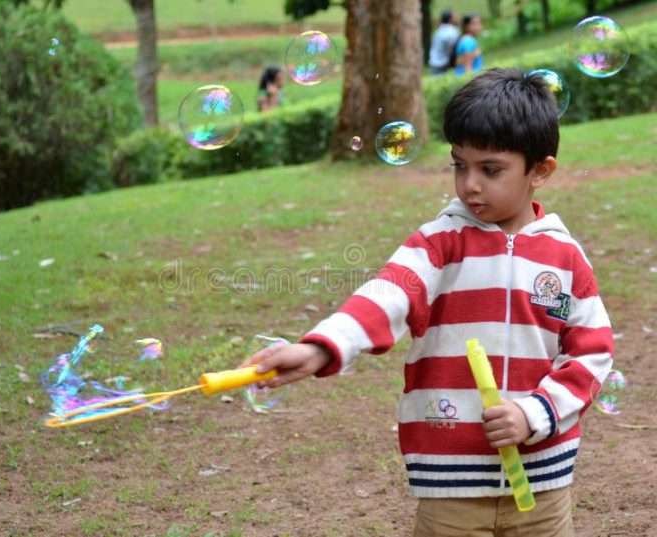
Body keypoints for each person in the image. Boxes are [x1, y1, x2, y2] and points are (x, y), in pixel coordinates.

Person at [244, 68, 614, 536]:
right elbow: (386, 295)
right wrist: (323, 347)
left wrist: (534, 413)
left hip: (543, 487)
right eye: (460, 165)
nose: (470, 185)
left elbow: (592, 351)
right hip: (450, 485)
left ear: (540, 170)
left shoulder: (565, 257)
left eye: (491, 169)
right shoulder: (438, 244)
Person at [428, 9, 460, 75]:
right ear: (450, 19)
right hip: (442, 63)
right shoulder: (452, 31)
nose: (457, 17)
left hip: (433, 61)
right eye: (455, 16)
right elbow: (455, 48)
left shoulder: (440, 29)